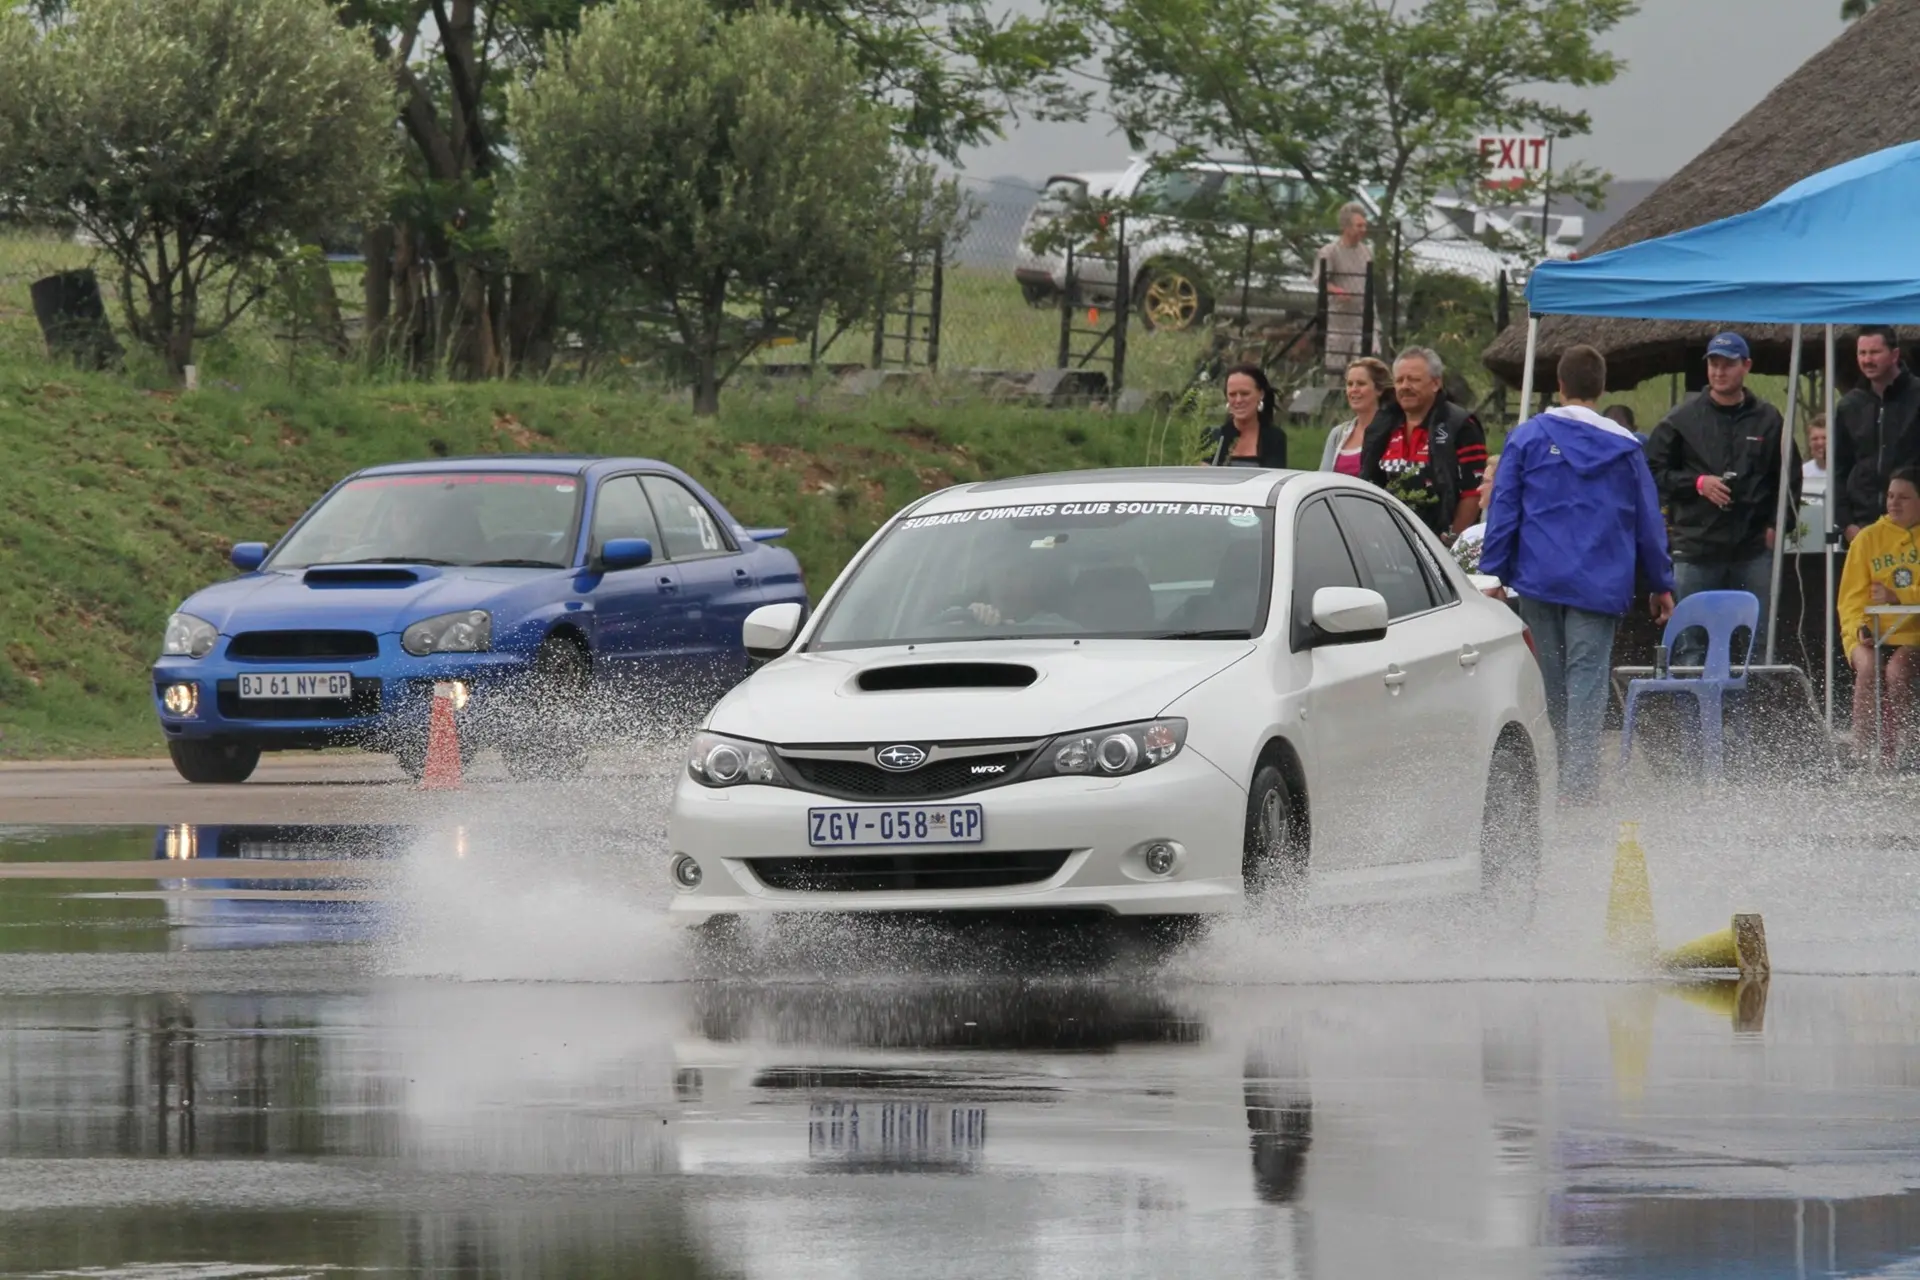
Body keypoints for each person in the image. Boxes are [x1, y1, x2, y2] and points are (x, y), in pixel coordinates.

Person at [1479, 344, 1675, 804]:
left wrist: (1495, 573)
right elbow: (1647, 519)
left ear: (1560, 386)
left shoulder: (1527, 437)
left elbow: (1505, 508)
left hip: (1539, 576)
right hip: (1599, 580)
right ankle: (1579, 785)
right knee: (1587, 678)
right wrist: (1660, 583)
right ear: (1602, 388)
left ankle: (1557, 772)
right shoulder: (1628, 447)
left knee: (1550, 678)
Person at [1642, 331, 1800, 666]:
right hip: (1696, 550)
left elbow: (1789, 478)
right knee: (1690, 647)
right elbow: (1651, 472)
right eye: (1713, 363)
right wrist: (1697, 483)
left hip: (1752, 550)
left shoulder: (1769, 419)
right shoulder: (1681, 419)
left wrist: (1777, 525)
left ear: (1746, 366)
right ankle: (1693, 720)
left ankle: (1752, 719)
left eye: (1727, 364)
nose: (1718, 371)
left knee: (1757, 647)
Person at [1358, 347, 1487, 542]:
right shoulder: (1381, 425)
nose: (1405, 386)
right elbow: (1368, 480)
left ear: (1436, 383)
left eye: (1414, 379)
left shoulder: (1460, 424)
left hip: (1439, 543)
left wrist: (1452, 543)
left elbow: (1473, 493)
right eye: (1399, 380)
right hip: (1385, 542)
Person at [1837, 468, 1920, 768]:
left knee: (1898, 670)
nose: (1894, 503)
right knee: (1870, 667)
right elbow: (1850, 600)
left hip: (1913, 635)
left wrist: (1901, 596)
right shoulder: (1867, 538)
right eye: (1890, 496)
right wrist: (1860, 628)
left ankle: (1906, 748)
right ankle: (1862, 753)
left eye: (1904, 498)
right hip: (1870, 632)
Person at [1833, 325, 1920, 544]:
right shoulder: (1849, 405)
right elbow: (1839, 468)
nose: (1867, 360)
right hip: (1863, 528)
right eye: (1862, 353)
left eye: (1874, 352)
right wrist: (1846, 524)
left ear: (1895, 354)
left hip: (1913, 526)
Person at [1316, 203, 1374, 375]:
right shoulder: (1330, 251)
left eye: (1365, 225)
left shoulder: (1367, 253)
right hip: (1338, 320)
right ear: (1346, 227)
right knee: (1334, 370)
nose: (1363, 229)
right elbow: (1320, 281)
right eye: (1359, 226)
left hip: (1360, 320)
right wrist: (1337, 290)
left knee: (1359, 371)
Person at [1207, 363, 1289, 468]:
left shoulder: (1274, 438)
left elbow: (1272, 478)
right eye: (1232, 394)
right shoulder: (1212, 437)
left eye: (1245, 394)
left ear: (1261, 394)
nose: (1238, 400)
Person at [1318, 357, 1390, 476]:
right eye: (1350, 384)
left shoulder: (1391, 432)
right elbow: (1322, 479)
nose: (1354, 390)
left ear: (1379, 389)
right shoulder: (1338, 434)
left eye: (1361, 384)